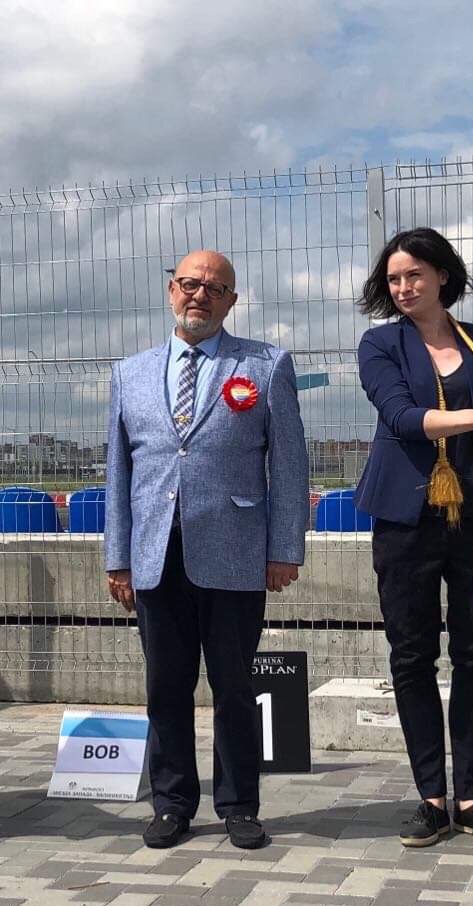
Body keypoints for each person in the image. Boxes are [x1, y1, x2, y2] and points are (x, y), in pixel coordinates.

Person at [104, 249, 309, 850]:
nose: (200, 295)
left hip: (235, 552)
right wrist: (118, 557)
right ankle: (171, 804)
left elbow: (289, 464)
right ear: (172, 290)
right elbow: (118, 472)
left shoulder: (266, 366)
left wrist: (284, 547)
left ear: (231, 301)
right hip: (154, 554)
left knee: (234, 687)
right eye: (190, 284)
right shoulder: (129, 373)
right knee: (164, 687)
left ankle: (239, 805)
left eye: (215, 288)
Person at [355, 227, 473, 848]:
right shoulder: (380, 344)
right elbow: (403, 419)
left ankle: (471, 797)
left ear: (442, 277)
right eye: (394, 278)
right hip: (405, 521)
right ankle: (431, 797)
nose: (403, 287)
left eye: (415, 275)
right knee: (412, 655)